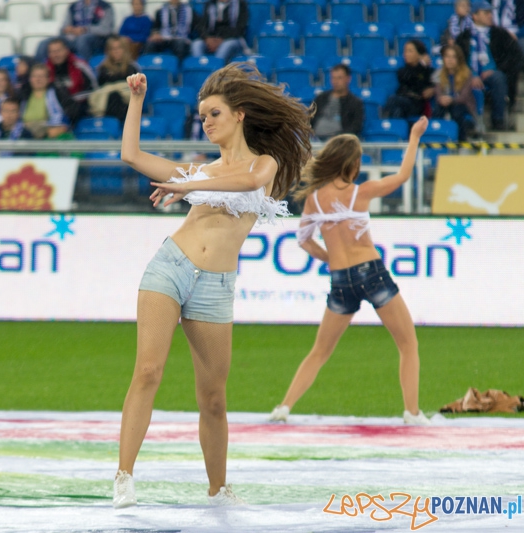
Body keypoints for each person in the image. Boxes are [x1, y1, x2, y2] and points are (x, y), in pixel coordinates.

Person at [113, 64, 313, 508]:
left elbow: (249, 180)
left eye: (214, 113)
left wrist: (190, 187)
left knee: (214, 398)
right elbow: (130, 154)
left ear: (240, 115)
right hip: (171, 267)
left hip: (217, 285)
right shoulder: (198, 172)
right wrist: (137, 100)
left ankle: (217, 489)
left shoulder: (263, 163)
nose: (206, 122)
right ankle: (124, 477)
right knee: (148, 371)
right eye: (202, 116)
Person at [267, 117, 431, 427]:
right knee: (408, 344)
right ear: (351, 163)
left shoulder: (314, 199)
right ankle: (411, 412)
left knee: (320, 351)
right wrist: (414, 137)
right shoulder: (360, 192)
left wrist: (330, 258)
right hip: (371, 273)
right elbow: (404, 174)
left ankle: (284, 407)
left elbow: (303, 241)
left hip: (341, 279)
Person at [456, 0, 524, 131]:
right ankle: (469, 122)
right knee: (465, 81)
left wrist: (498, 69)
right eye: (485, 13)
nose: (490, 15)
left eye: (490, 12)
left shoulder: (500, 34)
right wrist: (471, 75)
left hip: (493, 73)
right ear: (475, 16)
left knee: (498, 79)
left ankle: (498, 120)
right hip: (469, 74)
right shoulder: (463, 37)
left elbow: (515, 57)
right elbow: (458, 60)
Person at [36, 0, 116, 61]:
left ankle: (84, 70)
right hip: (72, 37)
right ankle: (41, 72)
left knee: (82, 40)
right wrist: (68, 29)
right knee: (44, 44)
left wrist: (85, 29)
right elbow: (64, 27)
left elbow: (106, 30)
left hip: (95, 39)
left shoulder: (105, 7)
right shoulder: (73, 6)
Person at [88, 35, 140, 122]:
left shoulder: (132, 68)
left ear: (125, 49)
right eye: (112, 49)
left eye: (119, 48)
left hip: (127, 104)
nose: (116, 51)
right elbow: (100, 89)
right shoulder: (103, 69)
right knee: (112, 96)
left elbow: (135, 91)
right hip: (107, 104)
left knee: (116, 96)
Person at [433, 45, 478, 140]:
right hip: (446, 106)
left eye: (453, 57)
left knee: (456, 111)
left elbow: (464, 97)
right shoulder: (438, 74)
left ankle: (461, 142)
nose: (450, 60)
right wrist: (442, 99)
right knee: (437, 110)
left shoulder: (467, 74)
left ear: (459, 59)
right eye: (447, 56)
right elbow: (438, 95)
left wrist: (451, 100)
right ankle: (438, 140)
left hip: (463, 106)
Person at [311, 64, 365, 140]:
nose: (335, 81)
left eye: (339, 78)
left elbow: (356, 126)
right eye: (333, 78)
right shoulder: (321, 98)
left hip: (339, 142)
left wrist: (339, 138)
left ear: (348, 79)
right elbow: (310, 119)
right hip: (315, 139)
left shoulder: (355, 103)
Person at [383, 40, 435, 119]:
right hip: (403, 102)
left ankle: (384, 116)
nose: (406, 54)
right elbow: (408, 78)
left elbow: (437, 84)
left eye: (410, 51)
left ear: (419, 54)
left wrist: (433, 89)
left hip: (416, 104)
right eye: (405, 51)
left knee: (392, 99)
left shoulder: (428, 71)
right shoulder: (402, 71)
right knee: (397, 111)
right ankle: (397, 130)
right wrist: (421, 65)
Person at [19, 64, 72, 138]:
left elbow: (70, 112)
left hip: (49, 132)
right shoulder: (22, 95)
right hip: (25, 132)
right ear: (30, 79)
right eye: (35, 76)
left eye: (42, 76)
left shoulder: (58, 93)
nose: (38, 79)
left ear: (48, 79)